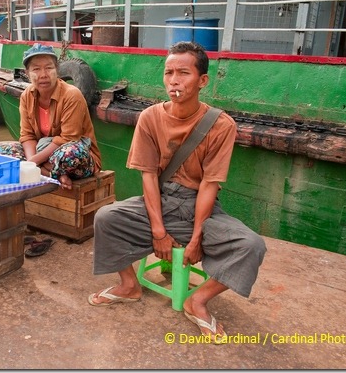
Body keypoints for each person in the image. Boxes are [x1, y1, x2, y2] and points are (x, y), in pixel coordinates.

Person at [87, 41, 266, 343]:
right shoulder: (150, 118)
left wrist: (197, 237)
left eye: (183, 73)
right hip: (159, 199)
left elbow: (210, 185)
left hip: (198, 205)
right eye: (169, 72)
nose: (173, 80)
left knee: (251, 245)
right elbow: (147, 177)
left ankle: (197, 301)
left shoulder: (222, 126)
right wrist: (158, 230)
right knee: (105, 217)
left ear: (202, 81)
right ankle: (129, 285)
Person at [0, 43, 102, 190]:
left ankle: (49, 172)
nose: (43, 74)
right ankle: (54, 174)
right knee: (0, 150)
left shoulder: (71, 95)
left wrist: (31, 163)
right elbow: (27, 136)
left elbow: (67, 139)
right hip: (42, 152)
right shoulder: (27, 96)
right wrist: (33, 162)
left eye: (49, 68)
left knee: (70, 155)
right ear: (27, 72)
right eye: (36, 69)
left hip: (74, 155)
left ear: (57, 70)